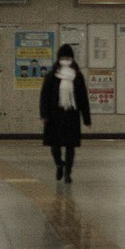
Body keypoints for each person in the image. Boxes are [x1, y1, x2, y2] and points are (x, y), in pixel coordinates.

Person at [39, 42, 90, 184]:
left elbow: (82, 98)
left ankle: (68, 172)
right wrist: (44, 114)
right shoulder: (51, 76)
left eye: (68, 57)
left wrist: (86, 118)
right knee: (54, 146)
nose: (66, 60)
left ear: (72, 58)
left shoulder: (77, 77)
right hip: (54, 116)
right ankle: (59, 164)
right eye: (63, 57)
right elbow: (44, 97)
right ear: (59, 58)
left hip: (71, 115)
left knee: (70, 146)